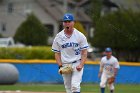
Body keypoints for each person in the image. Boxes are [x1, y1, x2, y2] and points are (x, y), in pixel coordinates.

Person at [52, 13, 89, 93]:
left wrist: (81, 64)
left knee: (75, 86)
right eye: (65, 21)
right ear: (63, 23)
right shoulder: (58, 37)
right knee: (68, 88)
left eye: (69, 21)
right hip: (65, 64)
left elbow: (84, 52)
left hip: (77, 63)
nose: (67, 23)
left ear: (73, 22)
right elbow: (57, 53)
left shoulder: (80, 36)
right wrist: (60, 66)